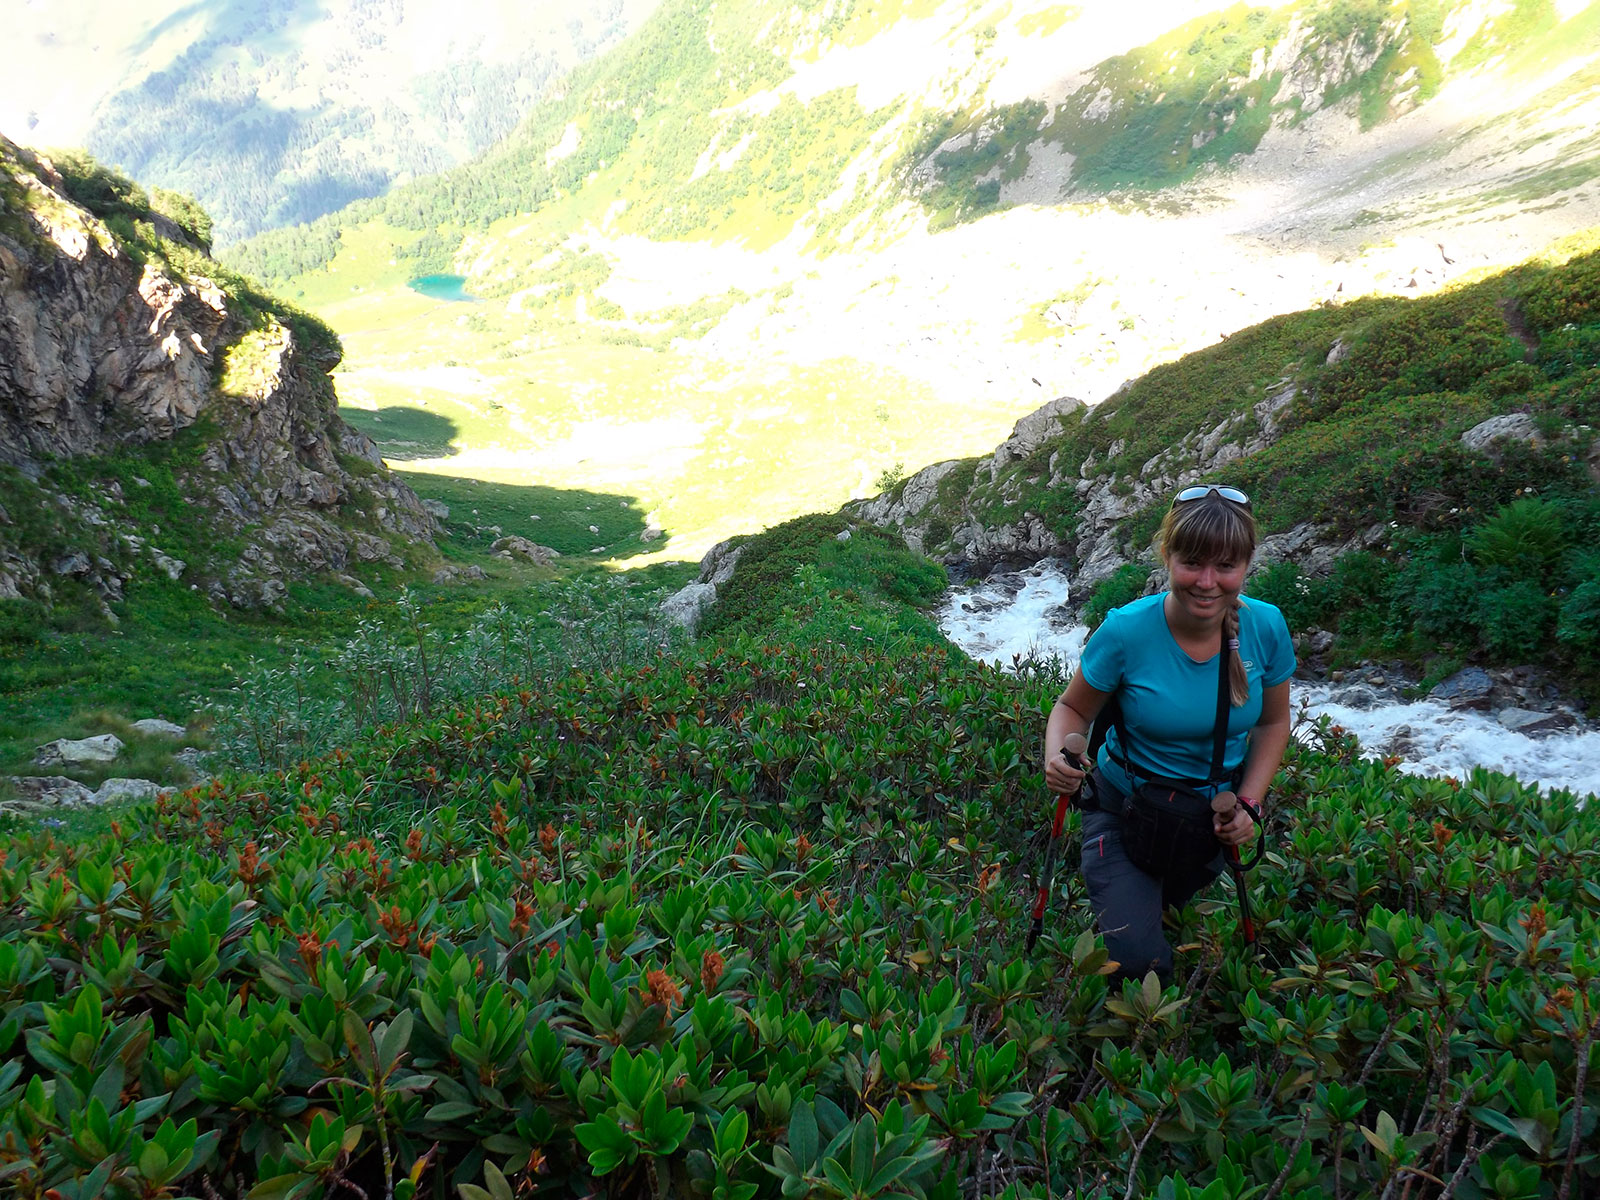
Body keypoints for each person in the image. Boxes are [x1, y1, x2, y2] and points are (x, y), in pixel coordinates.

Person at [1042, 484, 1294, 985]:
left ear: (1246, 566)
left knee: (1165, 913)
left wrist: (1250, 805)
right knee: (1141, 963)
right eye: (1192, 562)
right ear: (1167, 556)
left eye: (1225, 566)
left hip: (1207, 819)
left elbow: (1271, 723)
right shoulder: (1125, 630)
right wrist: (1057, 758)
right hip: (1123, 807)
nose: (1207, 582)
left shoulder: (1267, 627)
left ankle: (1131, 903)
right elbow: (1072, 709)